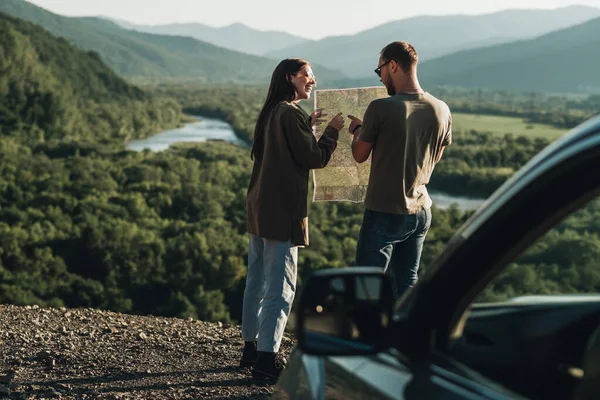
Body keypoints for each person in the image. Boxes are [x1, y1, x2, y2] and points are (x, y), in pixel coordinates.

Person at [240, 58, 345, 381]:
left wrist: (308, 128)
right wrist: (331, 132)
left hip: (259, 208)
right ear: (290, 78)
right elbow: (313, 158)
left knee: (256, 280)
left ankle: (251, 349)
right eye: (306, 76)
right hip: (283, 211)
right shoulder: (289, 113)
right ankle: (267, 359)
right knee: (281, 287)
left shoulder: (273, 112)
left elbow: (286, 152)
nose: (311, 81)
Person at [347, 41, 452, 299]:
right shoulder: (441, 108)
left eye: (379, 70)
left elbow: (360, 155)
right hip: (421, 211)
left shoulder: (381, 107)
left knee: (367, 287)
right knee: (407, 283)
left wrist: (358, 131)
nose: (381, 77)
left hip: (385, 211)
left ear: (392, 65)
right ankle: (404, 337)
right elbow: (434, 158)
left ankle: (368, 338)